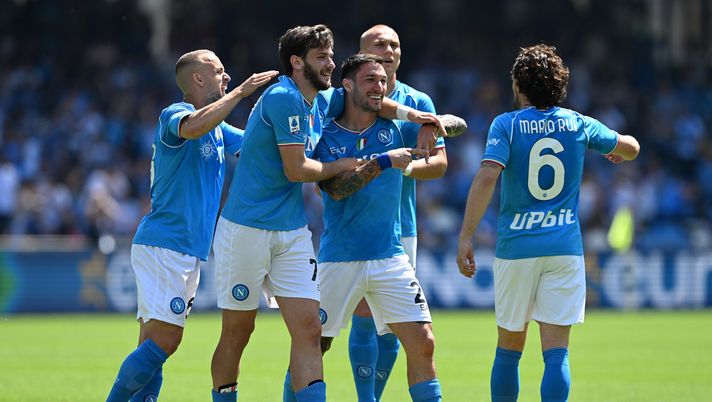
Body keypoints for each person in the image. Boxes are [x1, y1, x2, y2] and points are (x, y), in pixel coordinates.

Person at [210, 25, 445, 402]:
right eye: (322, 57)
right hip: (246, 227)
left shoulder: (322, 100)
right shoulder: (284, 97)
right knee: (238, 332)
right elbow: (297, 171)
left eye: (332, 57)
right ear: (297, 62)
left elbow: (370, 98)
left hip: (293, 230)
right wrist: (363, 162)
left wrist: (418, 116)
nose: (331, 64)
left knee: (307, 332)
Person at [456, 44, 640, 402]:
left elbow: (486, 178)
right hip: (564, 249)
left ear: (519, 86)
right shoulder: (577, 123)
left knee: (509, 348)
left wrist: (466, 235)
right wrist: (617, 150)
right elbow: (631, 147)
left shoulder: (506, 124)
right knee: (557, 352)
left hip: (517, 249)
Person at [106, 49, 277, 402]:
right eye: (220, 71)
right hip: (165, 244)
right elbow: (195, 126)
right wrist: (242, 93)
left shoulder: (219, 130)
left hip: (185, 249)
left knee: (154, 345)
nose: (226, 78)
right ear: (198, 78)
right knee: (166, 341)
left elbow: (258, 147)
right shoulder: (176, 114)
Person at [315, 53, 448, 402]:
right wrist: (384, 162)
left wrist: (429, 125)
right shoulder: (327, 135)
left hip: (389, 256)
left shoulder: (395, 127)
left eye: (383, 81)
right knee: (313, 348)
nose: (380, 86)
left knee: (423, 341)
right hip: (339, 259)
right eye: (371, 80)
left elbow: (452, 132)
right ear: (347, 85)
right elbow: (335, 189)